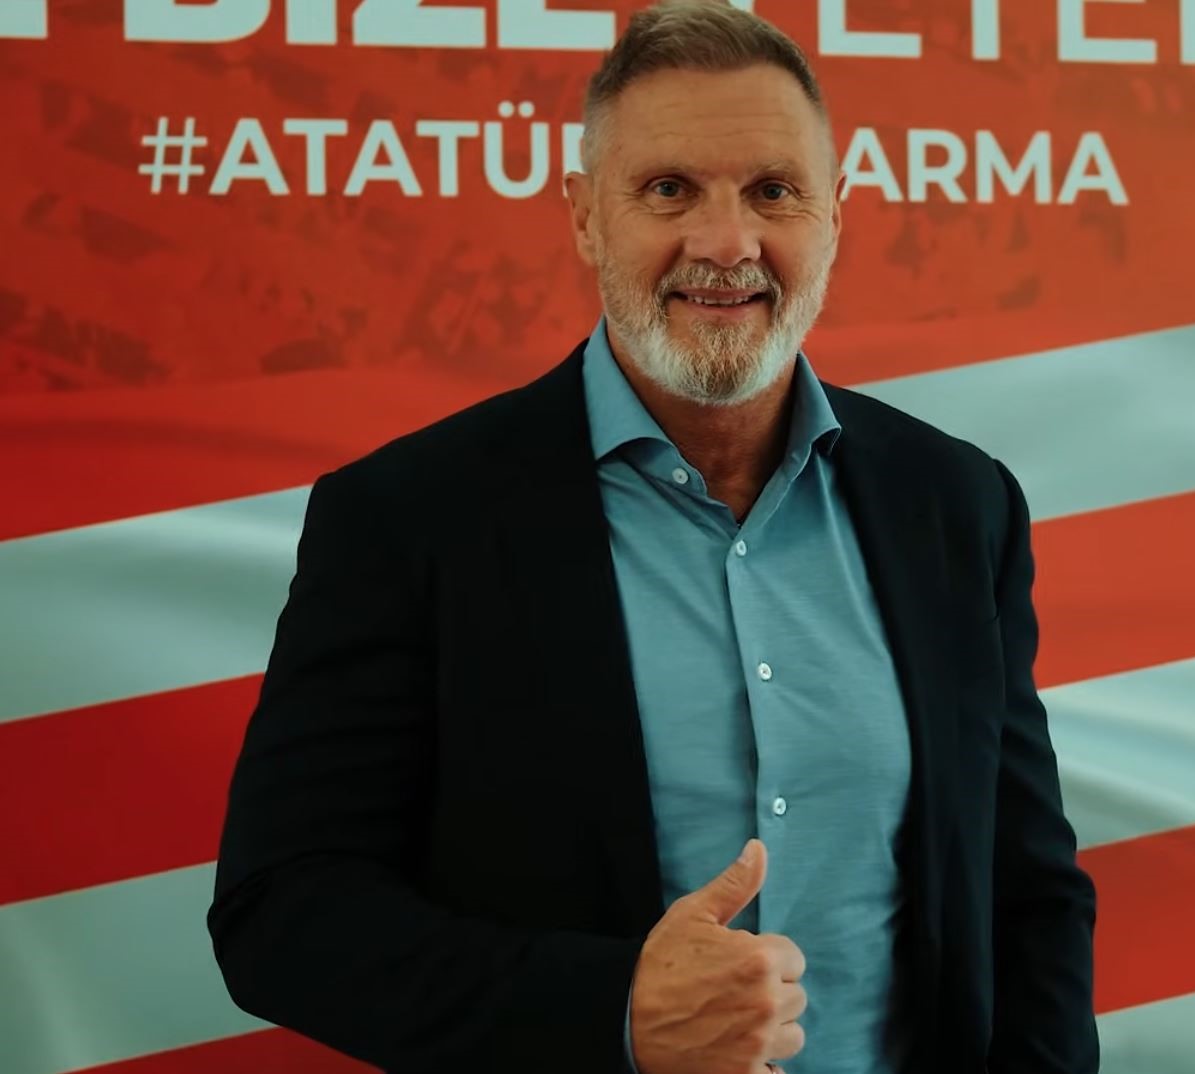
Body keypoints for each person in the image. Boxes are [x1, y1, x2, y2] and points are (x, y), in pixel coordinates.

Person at [206, 2, 1099, 1072]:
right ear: (586, 217)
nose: (726, 244)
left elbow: (1024, 889)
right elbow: (283, 913)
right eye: (669, 189)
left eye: (773, 191)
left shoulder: (954, 503)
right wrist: (612, 1014)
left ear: (835, 215)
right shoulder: (408, 518)